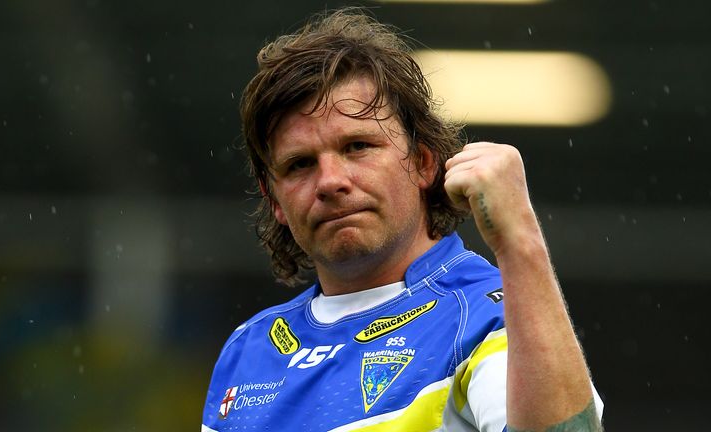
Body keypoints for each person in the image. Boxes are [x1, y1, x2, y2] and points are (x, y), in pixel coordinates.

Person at [202, 7, 603, 432]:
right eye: (300, 165)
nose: (330, 181)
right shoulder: (248, 350)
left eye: (358, 146)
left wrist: (520, 241)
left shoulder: (489, 315)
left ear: (424, 162)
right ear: (276, 200)